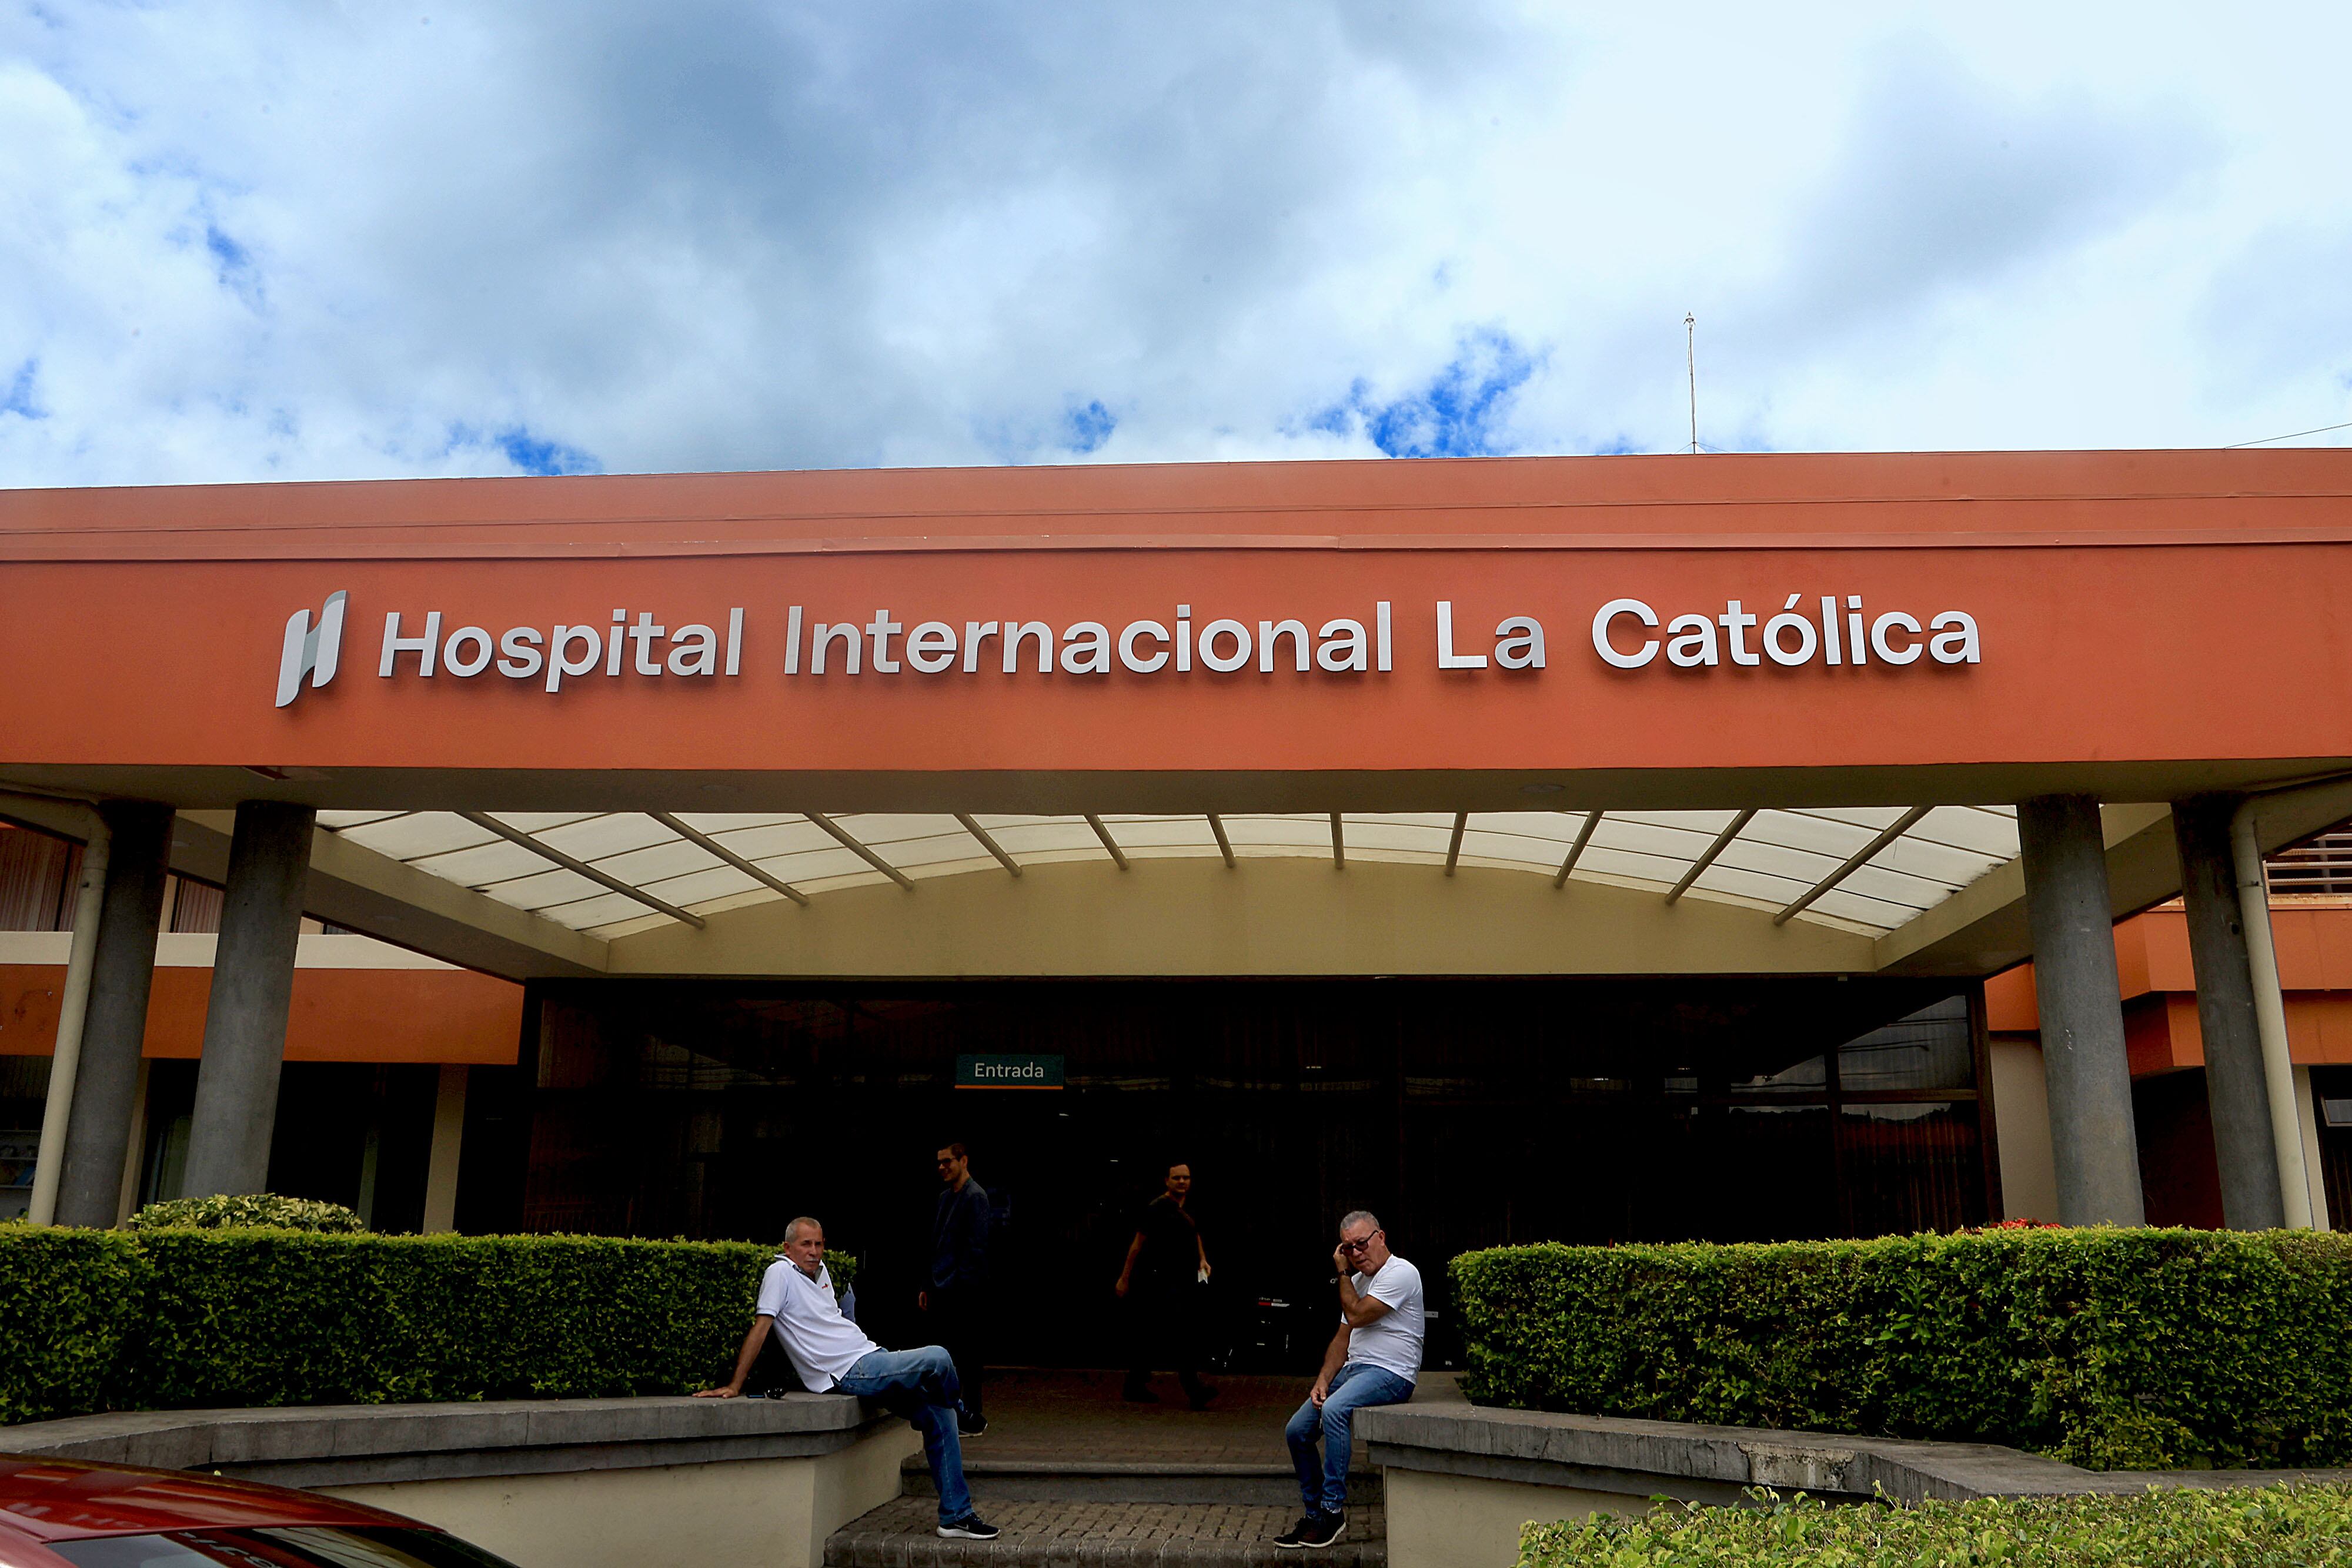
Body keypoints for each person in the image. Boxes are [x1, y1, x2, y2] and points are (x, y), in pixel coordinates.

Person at [697, 1215, 1000, 1542]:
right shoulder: (780, 1273)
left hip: (871, 1357)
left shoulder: (823, 1273)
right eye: (806, 1244)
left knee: (939, 1416)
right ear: (787, 1248)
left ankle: (956, 1516)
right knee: (938, 1357)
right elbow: (762, 1327)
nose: (814, 1251)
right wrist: (735, 1385)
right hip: (848, 1373)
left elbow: (834, 1323)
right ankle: (961, 1408)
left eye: (819, 1244)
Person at [1274, 1209, 1422, 1550]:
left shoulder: (1401, 1273)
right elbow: (1342, 1339)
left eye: (1361, 1244)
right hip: (1353, 1372)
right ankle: (1313, 1516)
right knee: (1297, 1431)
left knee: (1336, 1410)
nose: (1356, 1254)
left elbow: (1356, 1314)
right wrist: (1323, 1380)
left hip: (1392, 1373)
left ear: (1381, 1237)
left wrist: (1341, 1271)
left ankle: (1332, 1510)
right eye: (1348, 1248)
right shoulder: (1356, 1284)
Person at [1113, 1160, 1217, 1408]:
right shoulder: (1157, 1208)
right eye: (1177, 1178)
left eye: (1186, 1178)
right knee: (1174, 1333)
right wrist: (1124, 1278)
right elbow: (1137, 1244)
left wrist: (1203, 1259)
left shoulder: (1190, 1207)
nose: (1182, 1182)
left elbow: (1195, 1234)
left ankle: (1135, 1383)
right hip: (1157, 1279)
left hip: (1182, 1279)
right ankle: (1193, 1388)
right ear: (1167, 1181)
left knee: (1157, 1333)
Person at [919, 1141, 992, 1436]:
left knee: (967, 1355)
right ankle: (953, 1412)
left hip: (962, 1290)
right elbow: (937, 1244)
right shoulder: (946, 1198)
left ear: (964, 1161)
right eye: (939, 1162)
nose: (942, 1167)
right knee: (948, 1354)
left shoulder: (976, 1198)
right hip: (944, 1287)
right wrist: (928, 1284)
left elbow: (976, 1249)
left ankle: (971, 1414)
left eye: (947, 1161)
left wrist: (962, 1287)